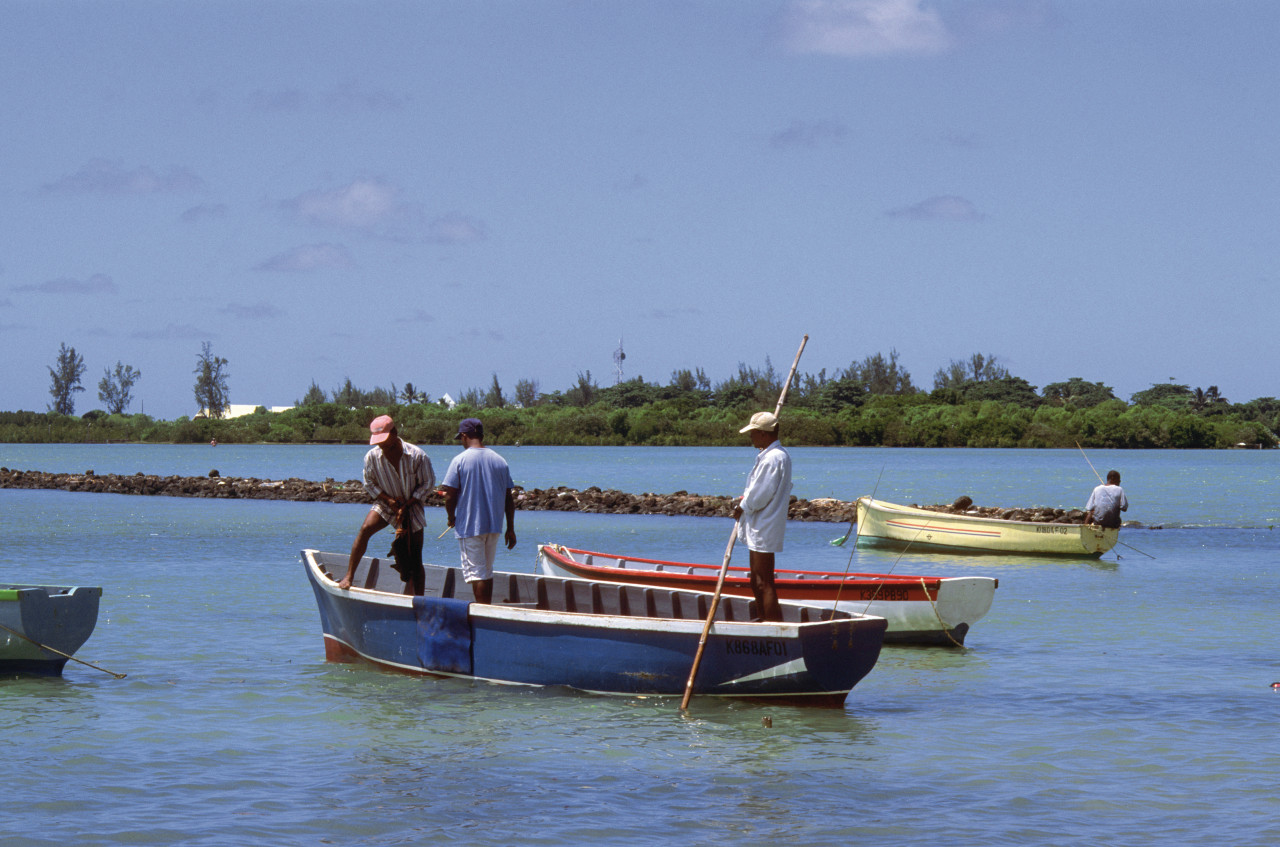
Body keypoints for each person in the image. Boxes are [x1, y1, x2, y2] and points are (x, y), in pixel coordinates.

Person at [337, 415, 436, 594]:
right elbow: (369, 483)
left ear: (395, 433)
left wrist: (406, 505)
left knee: (415, 556)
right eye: (378, 441)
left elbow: (428, 484)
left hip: (412, 506)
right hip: (386, 503)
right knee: (365, 529)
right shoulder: (372, 457)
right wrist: (389, 501)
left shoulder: (417, 455)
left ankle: (419, 599)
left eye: (384, 440)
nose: (380, 445)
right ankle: (349, 576)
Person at [440, 418, 517, 604]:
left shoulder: (460, 460)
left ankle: (482, 613)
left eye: (461, 438)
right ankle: (486, 609)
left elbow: (449, 495)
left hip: (470, 526)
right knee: (486, 572)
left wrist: (451, 517)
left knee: (477, 574)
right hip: (494, 526)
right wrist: (510, 528)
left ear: (465, 436)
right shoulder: (500, 460)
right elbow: (509, 499)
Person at [732, 411, 792, 622]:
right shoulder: (773, 456)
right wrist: (746, 500)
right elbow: (759, 490)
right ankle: (762, 617)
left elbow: (760, 495)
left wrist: (742, 506)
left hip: (764, 524)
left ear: (765, 434)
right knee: (757, 579)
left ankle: (771, 623)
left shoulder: (773, 458)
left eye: (754, 433)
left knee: (763, 581)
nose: (751, 437)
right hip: (763, 523)